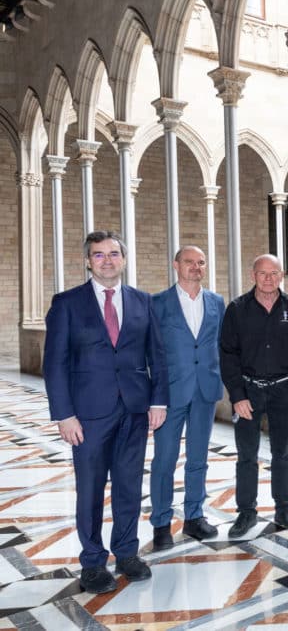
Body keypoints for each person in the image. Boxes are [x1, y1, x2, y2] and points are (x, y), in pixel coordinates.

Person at [43, 230, 168, 593]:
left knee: (129, 486)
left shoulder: (143, 302)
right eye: (99, 255)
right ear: (88, 261)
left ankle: (127, 552)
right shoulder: (67, 303)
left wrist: (157, 401)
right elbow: (55, 363)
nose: (107, 260)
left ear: (124, 260)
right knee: (91, 489)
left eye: (114, 254)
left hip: (134, 410)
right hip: (88, 415)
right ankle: (93, 561)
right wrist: (64, 415)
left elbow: (156, 357)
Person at [220, 254, 288, 537]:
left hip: (283, 390)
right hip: (248, 392)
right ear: (253, 275)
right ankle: (246, 513)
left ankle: (284, 507)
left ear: (281, 275)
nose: (268, 278)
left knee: (282, 452)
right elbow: (227, 354)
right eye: (263, 273)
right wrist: (237, 395)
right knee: (247, 455)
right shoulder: (237, 309)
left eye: (274, 273)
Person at [150, 245, 225, 550]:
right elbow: (150, 353)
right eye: (189, 262)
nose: (196, 267)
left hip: (205, 391)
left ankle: (194, 517)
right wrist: (152, 398)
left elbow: (221, 344)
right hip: (170, 394)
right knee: (164, 460)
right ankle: (161, 523)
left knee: (198, 459)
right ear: (175, 265)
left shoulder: (217, 302)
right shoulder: (157, 303)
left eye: (201, 263)